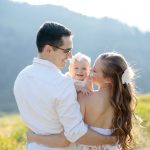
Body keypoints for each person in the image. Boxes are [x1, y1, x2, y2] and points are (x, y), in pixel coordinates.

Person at [13, 22, 115, 150]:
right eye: (66, 51)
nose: (70, 56)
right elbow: (75, 134)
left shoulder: (21, 77)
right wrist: (111, 140)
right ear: (49, 50)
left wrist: (35, 137)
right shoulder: (63, 85)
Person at [27, 52, 137, 150]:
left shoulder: (84, 98)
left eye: (94, 70)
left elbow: (73, 133)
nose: (90, 73)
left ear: (108, 79)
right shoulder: (122, 101)